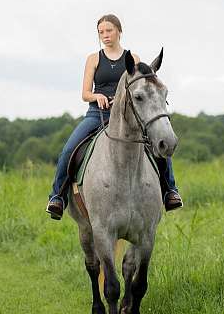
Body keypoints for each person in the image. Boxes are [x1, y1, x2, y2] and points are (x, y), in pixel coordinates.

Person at [46, 13, 183, 220]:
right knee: (69, 149)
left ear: (119, 31)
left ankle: (169, 191)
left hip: (129, 116)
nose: (105, 35)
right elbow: (85, 93)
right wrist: (97, 95)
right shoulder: (93, 59)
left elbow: (142, 87)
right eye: (101, 32)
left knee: (157, 144)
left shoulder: (133, 59)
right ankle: (57, 197)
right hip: (97, 113)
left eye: (109, 30)